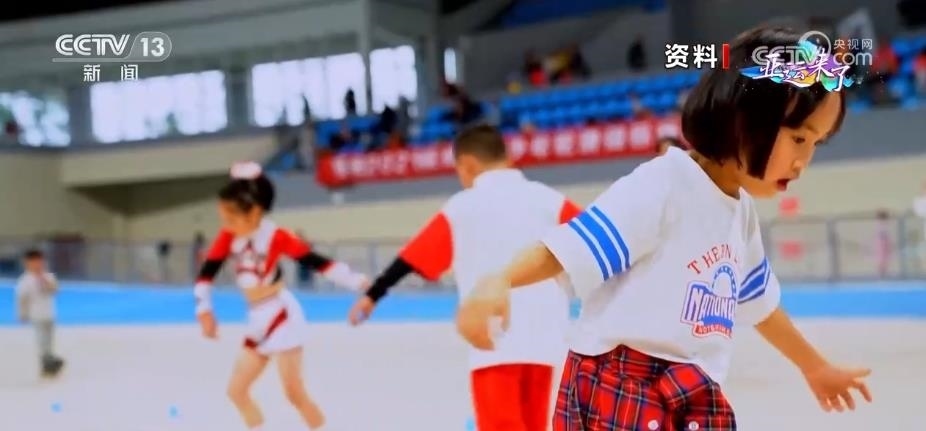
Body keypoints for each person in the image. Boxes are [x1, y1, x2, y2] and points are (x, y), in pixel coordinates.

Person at [456, 25, 872, 430]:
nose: (804, 162)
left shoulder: (739, 211)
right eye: (799, 138)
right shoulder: (664, 185)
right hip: (621, 384)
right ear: (743, 120)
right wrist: (500, 280)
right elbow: (569, 248)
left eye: (816, 144)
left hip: (689, 386)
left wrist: (815, 367)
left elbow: (758, 304)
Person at [348, 124, 582, 431]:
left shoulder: (461, 207)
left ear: (467, 165)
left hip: (493, 339)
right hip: (546, 339)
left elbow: (410, 259)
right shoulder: (548, 199)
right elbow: (592, 240)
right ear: (508, 157)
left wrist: (372, 295)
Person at [194, 161, 369, 431]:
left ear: (254, 212)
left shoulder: (275, 236)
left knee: (294, 393)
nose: (225, 225)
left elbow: (317, 262)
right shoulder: (229, 236)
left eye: (231, 218)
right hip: (257, 320)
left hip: (281, 316)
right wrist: (204, 310)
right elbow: (206, 274)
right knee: (237, 391)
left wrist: (357, 281)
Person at [16, 249, 65, 378]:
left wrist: (44, 280)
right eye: (33, 262)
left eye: (39, 261)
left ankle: (49, 363)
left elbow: (55, 290)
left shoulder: (49, 276)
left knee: (49, 340)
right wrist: (22, 313)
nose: (37, 264)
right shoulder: (25, 280)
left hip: (49, 313)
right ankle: (48, 364)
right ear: (27, 263)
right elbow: (22, 298)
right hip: (36, 315)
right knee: (42, 341)